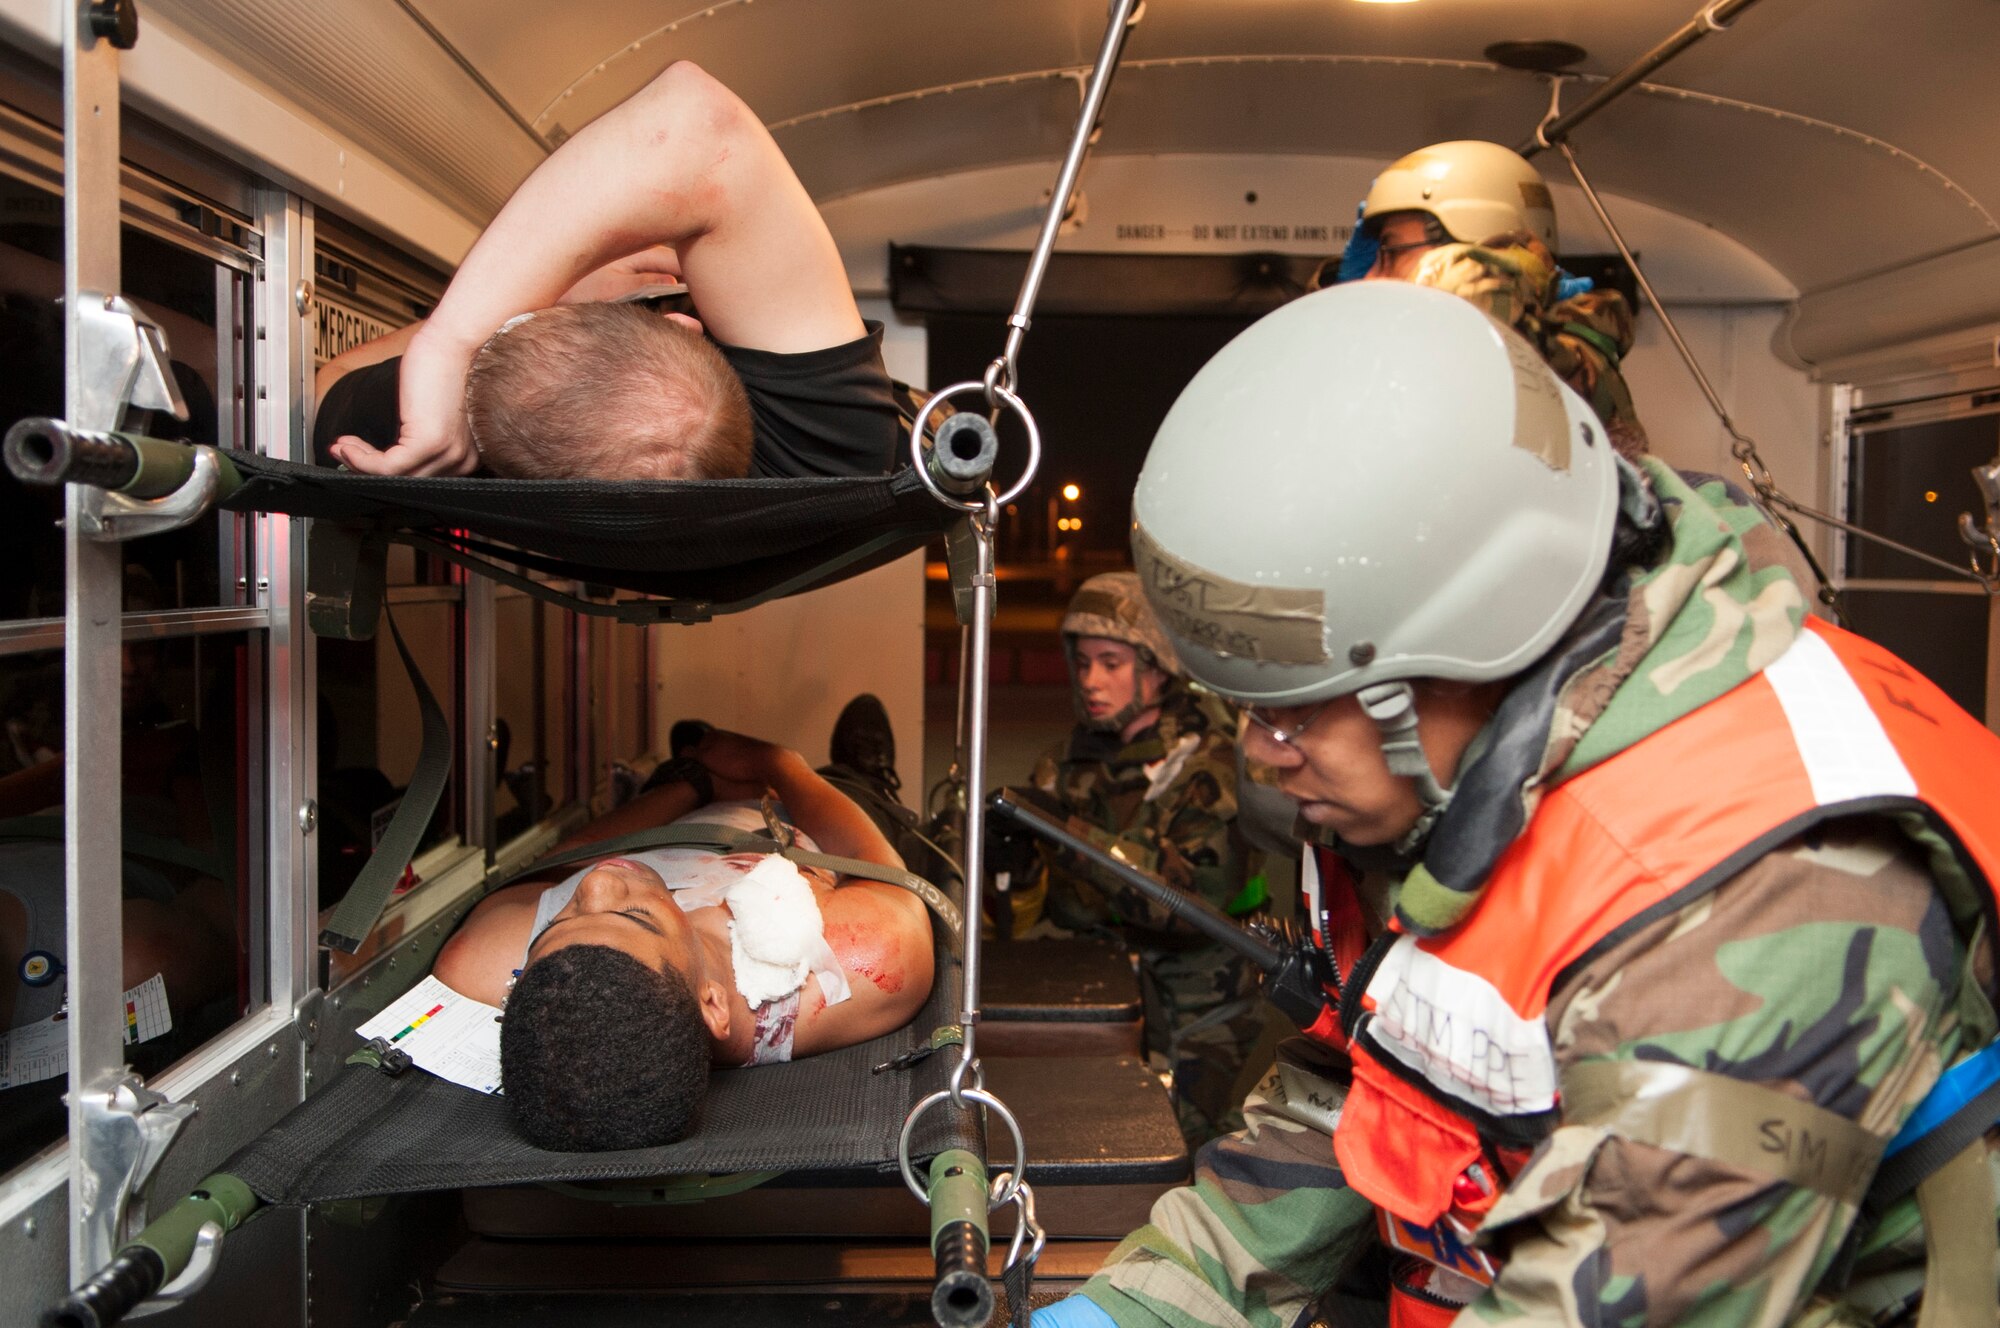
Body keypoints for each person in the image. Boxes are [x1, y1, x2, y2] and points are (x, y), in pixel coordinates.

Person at [1035, 282, 2000, 1327]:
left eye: (1290, 717)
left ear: (1467, 645)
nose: (1263, 761)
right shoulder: (1442, 789)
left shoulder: (1772, 891)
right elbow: (1352, 1094)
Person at [313, 61, 900, 482]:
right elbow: (702, 135)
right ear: (684, 328)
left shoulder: (464, 434)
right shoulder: (826, 448)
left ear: (680, 321)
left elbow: (322, 382)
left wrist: (458, 339)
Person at [433, 729, 934, 1152]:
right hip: (807, 819)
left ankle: (694, 756)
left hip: (674, 813)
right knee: (857, 788)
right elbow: (878, 869)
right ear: (712, 1005)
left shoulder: (483, 961)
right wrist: (780, 766)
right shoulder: (849, 967)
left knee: (695, 756)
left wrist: (692, 785)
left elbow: (571, 862)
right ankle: (859, 771)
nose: (596, 884)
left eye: (558, 922)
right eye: (636, 916)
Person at [1018, 571, 1259, 1148]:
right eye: (1082, 664)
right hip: (1101, 981)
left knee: (1179, 1143)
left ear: (1156, 666)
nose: (1092, 681)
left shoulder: (1210, 759)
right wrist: (1014, 868)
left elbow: (1190, 899)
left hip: (1199, 994)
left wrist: (1063, 833)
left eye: (1111, 662)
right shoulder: (1070, 763)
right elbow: (1034, 912)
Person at [1325, 138, 1649, 460]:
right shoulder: (1425, 350)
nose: (1369, 277)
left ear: (1477, 254)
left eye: (1389, 251)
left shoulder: (1565, 358)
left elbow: (1467, 300)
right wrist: (1340, 301)